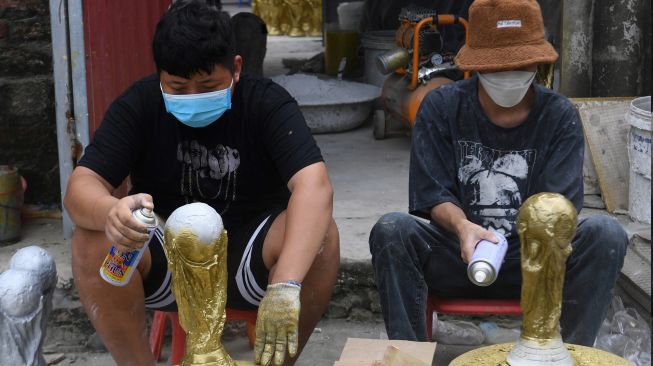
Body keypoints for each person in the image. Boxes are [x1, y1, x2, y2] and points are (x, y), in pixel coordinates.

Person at [64, 1, 339, 365]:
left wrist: (285, 284)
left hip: (248, 257)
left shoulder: (266, 103)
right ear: (160, 75)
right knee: (91, 238)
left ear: (236, 69)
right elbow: (81, 186)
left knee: (322, 235)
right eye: (177, 87)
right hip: (166, 259)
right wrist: (109, 211)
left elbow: (314, 185)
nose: (192, 98)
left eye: (208, 85)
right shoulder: (140, 104)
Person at [368, 0, 628, 346]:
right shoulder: (441, 107)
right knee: (391, 230)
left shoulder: (559, 115)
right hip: (460, 254)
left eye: (518, 66)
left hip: (536, 260)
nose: (509, 76)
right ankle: (408, 353)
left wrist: (527, 244)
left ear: (537, 64)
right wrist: (463, 228)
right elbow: (434, 194)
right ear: (475, 66)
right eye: (497, 68)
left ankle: (567, 353)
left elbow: (559, 208)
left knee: (605, 233)